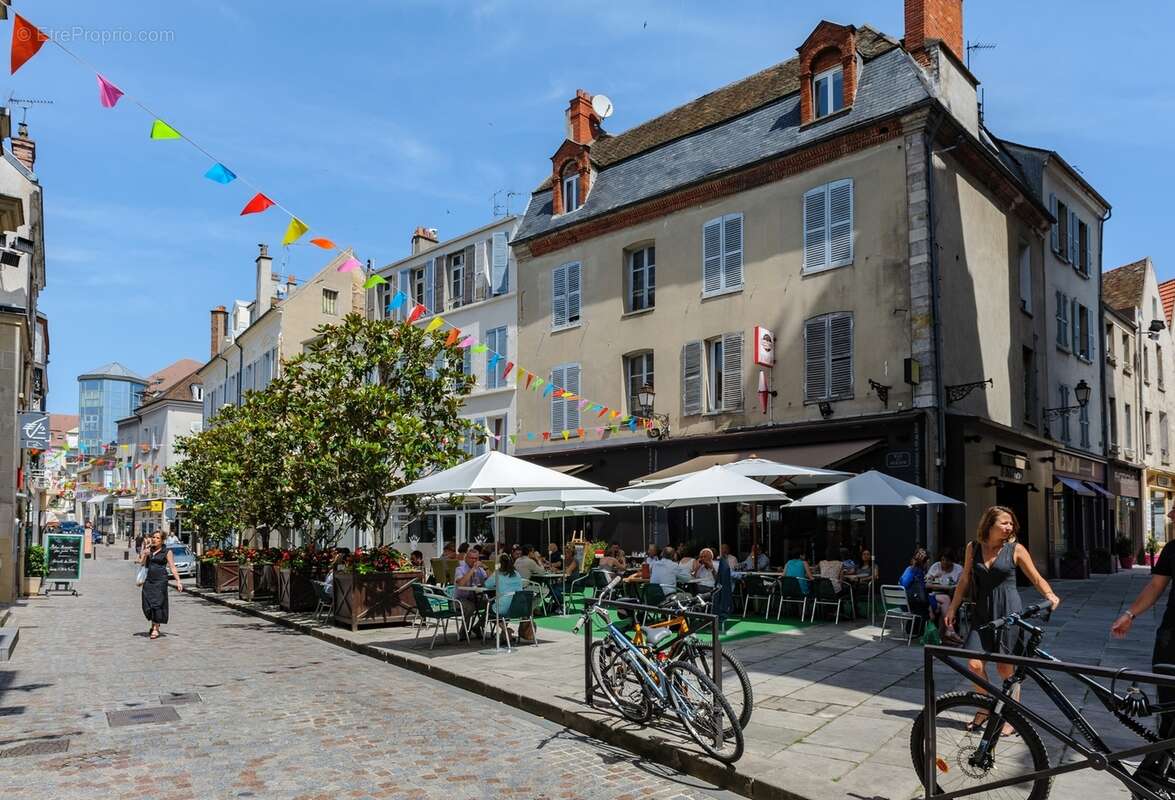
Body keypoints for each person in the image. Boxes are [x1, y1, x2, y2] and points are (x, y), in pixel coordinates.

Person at [944, 506, 1060, 733]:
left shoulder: (1015, 549)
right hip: (982, 614)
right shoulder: (973, 547)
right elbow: (964, 581)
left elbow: (1036, 577)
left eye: (1011, 524)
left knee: (1006, 670)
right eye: (1004, 523)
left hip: (1009, 613)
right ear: (990, 524)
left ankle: (1011, 716)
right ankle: (983, 709)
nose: (1009, 527)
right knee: (974, 664)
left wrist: (1049, 595)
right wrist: (951, 609)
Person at [1111, 511, 1175, 749]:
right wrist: (1130, 615)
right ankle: (1166, 756)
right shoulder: (1171, 549)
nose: (1170, 515)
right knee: (1168, 696)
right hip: (1172, 634)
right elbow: (1156, 585)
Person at [139, 531, 184, 640]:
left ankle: (155, 628)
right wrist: (144, 554)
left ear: (162, 540)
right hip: (149, 580)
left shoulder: (167, 552)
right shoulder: (149, 550)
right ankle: (154, 624)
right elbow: (141, 563)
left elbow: (172, 567)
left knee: (157, 604)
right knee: (147, 604)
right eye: (153, 537)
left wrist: (178, 581)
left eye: (157, 538)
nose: (154, 539)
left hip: (160, 581)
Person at [485, 554, 529, 639]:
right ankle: (505, 634)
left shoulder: (498, 574)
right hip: (518, 607)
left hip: (505, 607)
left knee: (489, 610)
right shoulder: (516, 573)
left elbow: (487, 584)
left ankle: (505, 630)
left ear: (499, 564)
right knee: (504, 606)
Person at [454, 549, 488, 635]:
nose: (474, 560)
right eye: (471, 558)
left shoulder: (480, 570)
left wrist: (485, 567)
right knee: (470, 607)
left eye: (476, 558)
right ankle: (463, 631)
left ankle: (478, 626)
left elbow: (492, 580)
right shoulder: (460, 569)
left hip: (476, 598)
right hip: (460, 600)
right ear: (466, 558)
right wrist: (472, 569)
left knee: (492, 605)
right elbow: (461, 584)